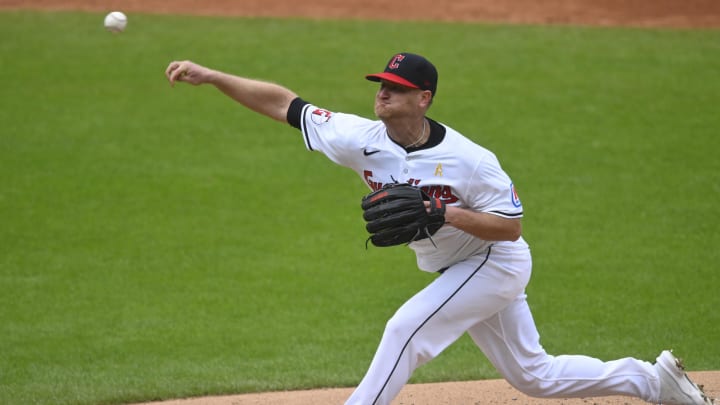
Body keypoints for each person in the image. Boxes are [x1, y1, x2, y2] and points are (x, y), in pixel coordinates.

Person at [164, 52, 713, 405]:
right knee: (534, 376)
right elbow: (285, 104)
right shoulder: (360, 137)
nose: (383, 93)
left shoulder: (471, 160)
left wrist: (440, 212)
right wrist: (212, 77)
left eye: (396, 88)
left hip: (493, 262)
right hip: (455, 266)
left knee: (405, 328)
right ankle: (651, 380)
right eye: (381, 84)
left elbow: (512, 227)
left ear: (423, 98)